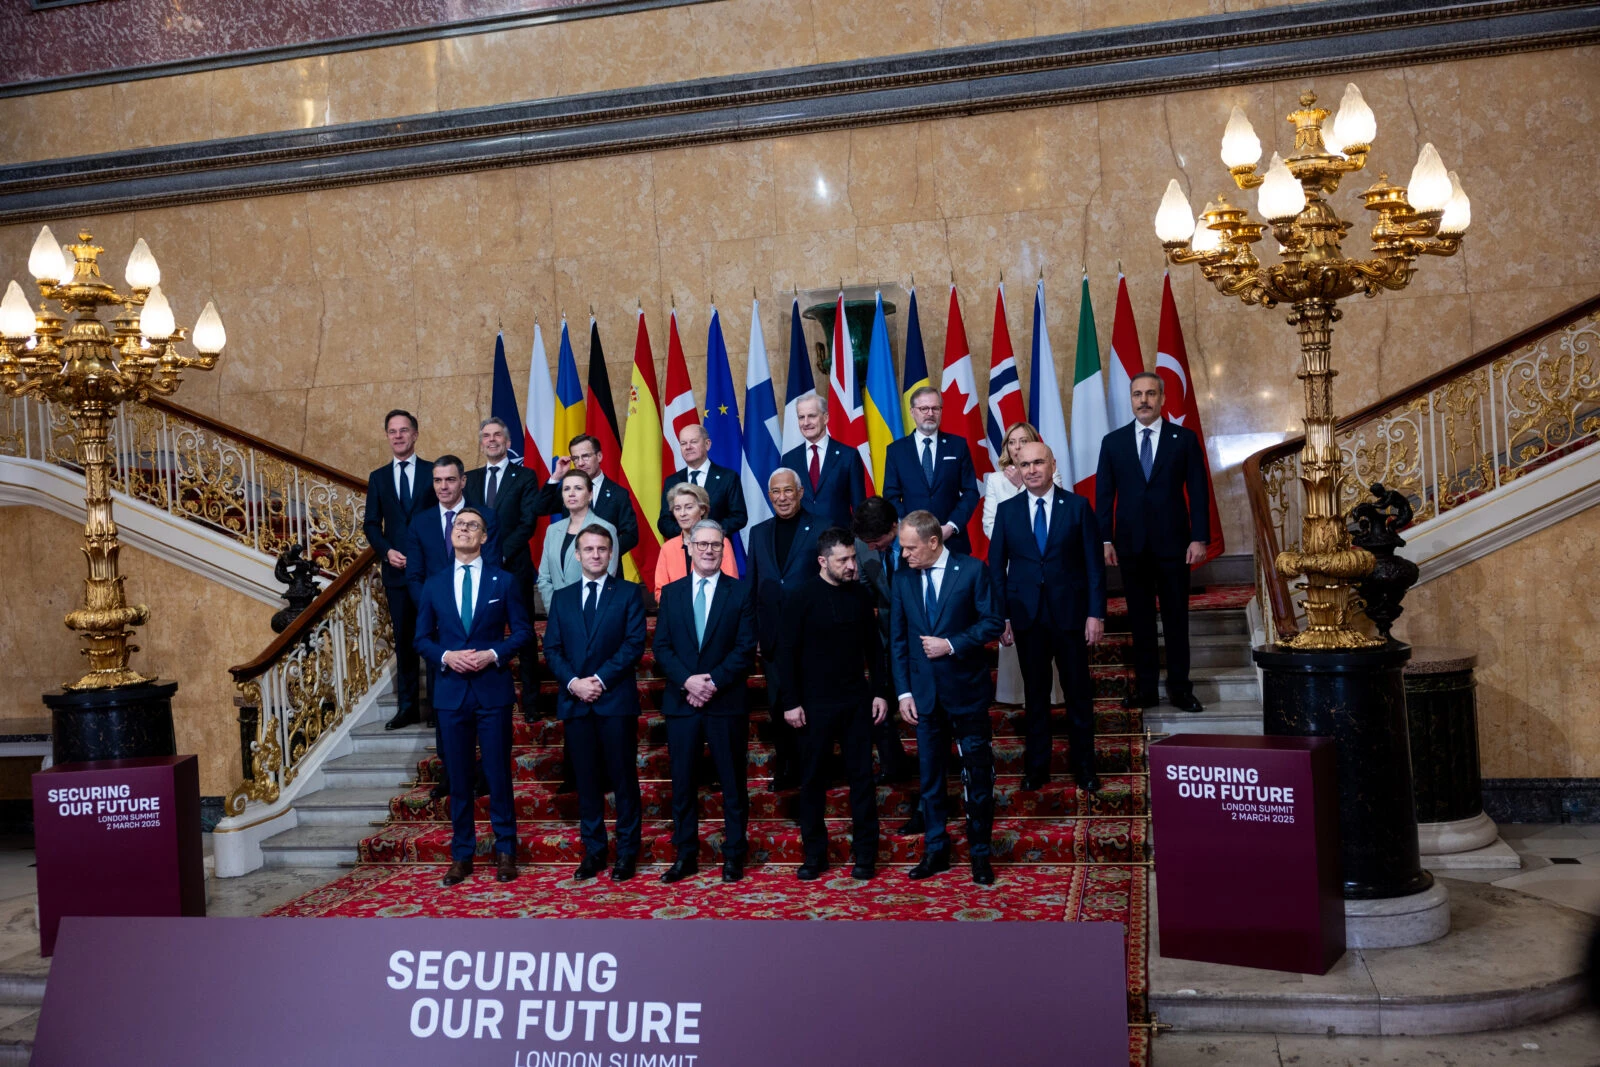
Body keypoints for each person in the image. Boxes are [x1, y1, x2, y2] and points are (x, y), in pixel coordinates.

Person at [412, 507, 532, 887]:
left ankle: (506, 851)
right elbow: (422, 639)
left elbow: (523, 633)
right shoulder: (434, 584)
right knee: (459, 779)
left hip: (492, 691)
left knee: (498, 775)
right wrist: (447, 656)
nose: (463, 530)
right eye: (459, 525)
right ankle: (461, 856)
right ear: (452, 535)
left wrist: (493, 653)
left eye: (472, 526)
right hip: (450, 696)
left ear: (484, 537)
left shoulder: (504, 581)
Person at [890, 510, 1003, 885]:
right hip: (924, 698)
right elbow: (899, 640)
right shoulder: (903, 578)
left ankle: (980, 854)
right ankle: (935, 850)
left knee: (977, 776)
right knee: (931, 779)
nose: (904, 555)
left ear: (934, 542)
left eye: (909, 548)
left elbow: (991, 622)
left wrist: (951, 644)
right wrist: (904, 691)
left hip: (966, 692)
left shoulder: (972, 570)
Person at [989, 442, 1107, 795]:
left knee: (1077, 697)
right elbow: (996, 568)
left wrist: (1095, 613)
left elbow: (1093, 567)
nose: (1031, 469)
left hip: (1070, 617)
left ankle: (1085, 768)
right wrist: (1002, 617)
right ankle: (1037, 768)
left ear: (1052, 464)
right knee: (1036, 697)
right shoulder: (1007, 511)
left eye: (1038, 462)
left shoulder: (1077, 507)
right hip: (1026, 618)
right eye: (1024, 464)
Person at [1095, 372, 1210, 714]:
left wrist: (1199, 537)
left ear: (1162, 398)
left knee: (1176, 620)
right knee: (1141, 622)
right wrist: (1105, 539)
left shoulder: (1184, 439)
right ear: (1130, 399)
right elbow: (1104, 497)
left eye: (1150, 394)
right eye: (1137, 394)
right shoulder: (1112, 442)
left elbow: (1199, 492)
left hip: (1175, 546)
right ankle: (1146, 690)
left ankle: (1180, 689)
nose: (1143, 400)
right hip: (1130, 547)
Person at [651, 520, 759, 884]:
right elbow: (661, 648)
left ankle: (734, 855)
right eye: (703, 545)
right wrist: (688, 681)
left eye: (716, 545)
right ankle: (686, 855)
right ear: (690, 548)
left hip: (725, 700)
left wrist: (711, 681)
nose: (709, 550)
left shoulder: (741, 592)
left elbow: (745, 649)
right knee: (683, 784)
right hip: (682, 703)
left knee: (732, 784)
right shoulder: (673, 592)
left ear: (724, 549)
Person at [777, 527, 887, 882]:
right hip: (813, 705)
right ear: (823, 561)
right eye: (844, 560)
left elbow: (875, 651)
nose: (852, 565)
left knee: (862, 781)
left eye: (853, 558)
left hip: (856, 701)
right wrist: (791, 702)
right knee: (812, 782)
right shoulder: (800, 597)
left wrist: (881, 692)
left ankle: (866, 855)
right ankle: (815, 854)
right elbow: (786, 655)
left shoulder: (859, 596)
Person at [541, 525, 649, 882]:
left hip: (614, 701)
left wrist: (598, 681)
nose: (596, 555)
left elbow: (633, 646)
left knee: (623, 781)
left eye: (602, 549)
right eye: (588, 549)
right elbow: (552, 648)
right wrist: (574, 683)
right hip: (576, 704)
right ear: (577, 554)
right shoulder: (563, 597)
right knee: (586, 783)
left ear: (611, 553)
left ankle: (627, 853)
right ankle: (595, 851)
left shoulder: (630, 594)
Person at [406, 455, 500, 801]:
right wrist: (437, 612)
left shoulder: (484, 519)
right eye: (437, 481)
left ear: (463, 482)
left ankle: (489, 775)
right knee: (443, 706)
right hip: (441, 634)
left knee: (487, 711)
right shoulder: (420, 523)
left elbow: (493, 567)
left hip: (481, 631)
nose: (443, 486)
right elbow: (415, 577)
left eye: (449, 480)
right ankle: (451, 775)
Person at [745, 467, 824, 793]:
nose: (781, 497)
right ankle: (787, 766)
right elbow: (751, 586)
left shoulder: (821, 527)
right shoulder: (759, 532)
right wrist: (753, 634)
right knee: (779, 707)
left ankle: (815, 768)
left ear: (800, 492)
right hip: (773, 637)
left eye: (787, 491)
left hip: (812, 636)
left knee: (813, 704)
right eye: (775, 492)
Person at [362, 410, 436, 731]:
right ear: (387, 436)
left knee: (432, 638)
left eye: (404, 430)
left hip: (429, 572)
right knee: (405, 643)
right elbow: (370, 524)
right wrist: (387, 551)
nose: (398, 436)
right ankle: (408, 708)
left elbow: (441, 518)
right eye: (392, 431)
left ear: (415, 434)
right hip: (395, 573)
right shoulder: (378, 478)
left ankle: (436, 707)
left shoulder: (434, 472)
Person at [983, 421, 1065, 707]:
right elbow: (991, 526)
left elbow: (1055, 520)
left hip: (1049, 572)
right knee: (1019, 638)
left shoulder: (1054, 475)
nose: (1017, 447)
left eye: (1023, 440)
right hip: (1014, 568)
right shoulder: (994, 480)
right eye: (1012, 442)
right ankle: (1014, 694)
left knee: (1050, 637)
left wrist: (1022, 486)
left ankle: (1052, 695)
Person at [465, 417, 542, 712]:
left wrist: (499, 555)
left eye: (498, 435)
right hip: (478, 568)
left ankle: (532, 702)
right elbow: (467, 521)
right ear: (482, 442)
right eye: (486, 435)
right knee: (484, 632)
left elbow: (527, 523)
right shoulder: (469, 480)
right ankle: (487, 698)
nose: (492, 440)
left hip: (514, 567)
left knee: (523, 633)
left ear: (508, 443)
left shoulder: (524, 477)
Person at [849, 496, 918, 786]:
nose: (873, 546)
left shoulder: (916, 539)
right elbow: (866, 593)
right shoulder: (864, 544)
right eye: (867, 541)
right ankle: (894, 765)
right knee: (877, 707)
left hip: (918, 638)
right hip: (884, 638)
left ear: (895, 526)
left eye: (878, 540)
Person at [881, 386, 980, 553]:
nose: (930, 413)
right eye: (924, 408)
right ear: (912, 412)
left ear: (941, 411)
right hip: (914, 542)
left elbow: (971, 492)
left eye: (935, 408)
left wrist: (952, 526)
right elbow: (890, 495)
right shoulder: (896, 450)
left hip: (952, 540)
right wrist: (912, 526)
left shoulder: (957, 446)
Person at [533, 434, 640, 559]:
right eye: (575, 459)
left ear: (599, 456)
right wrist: (557, 476)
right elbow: (538, 508)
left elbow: (631, 535)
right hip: (571, 567)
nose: (580, 463)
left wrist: (602, 553)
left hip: (607, 569)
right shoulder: (569, 490)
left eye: (585, 456)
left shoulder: (618, 493)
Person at [780, 393, 865, 528]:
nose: (806, 422)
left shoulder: (848, 456)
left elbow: (859, 507)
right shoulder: (789, 459)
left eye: (812, 416)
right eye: (801, 417)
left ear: (825, 418)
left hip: (838, 540)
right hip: (801, 541)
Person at [537, 470, 620, 607]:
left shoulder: (606, 528)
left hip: (592, 611)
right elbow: (544, 578)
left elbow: (607, 577)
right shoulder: (552, 530)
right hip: (556, 612)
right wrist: (554, 609)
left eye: (578, 488)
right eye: (566, 489)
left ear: (590, 495)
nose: (571, 493)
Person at [657, 424, 747, 540]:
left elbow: (739, 517)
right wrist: (687, 533)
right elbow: (664, 521)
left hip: (717, 548)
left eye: (693, 442)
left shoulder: (728, 477)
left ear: (707, 444)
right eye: (683, 443)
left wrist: (708, 532)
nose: (688, 447)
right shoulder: (672, 481)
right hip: (682, 549)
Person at [653, 482, 738, 595]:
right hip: (677, 610)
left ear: (702, 510)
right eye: (677, 508)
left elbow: (731, 587)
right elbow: (660, 592)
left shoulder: (721, 542)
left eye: (688, 507)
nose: (682, 513)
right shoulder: (667, 548)